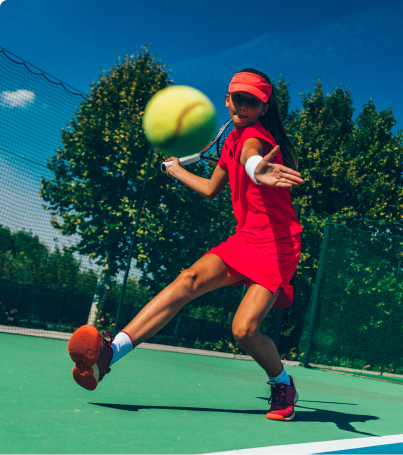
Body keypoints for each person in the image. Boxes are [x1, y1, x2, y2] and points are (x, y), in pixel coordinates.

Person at [67, 69, 304, 421]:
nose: (243, 106)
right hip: (246, 238)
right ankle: (108, 354)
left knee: (245, 330)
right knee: (187, 280)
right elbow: (212, 189)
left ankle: (283, 384)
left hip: (276, 243)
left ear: (263, 108)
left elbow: (249, 156)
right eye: (238, 97)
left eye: (252, 101)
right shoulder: (230, 143)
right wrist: (176, 170)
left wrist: (256, 169)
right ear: (227, 99)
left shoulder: (256, 136)